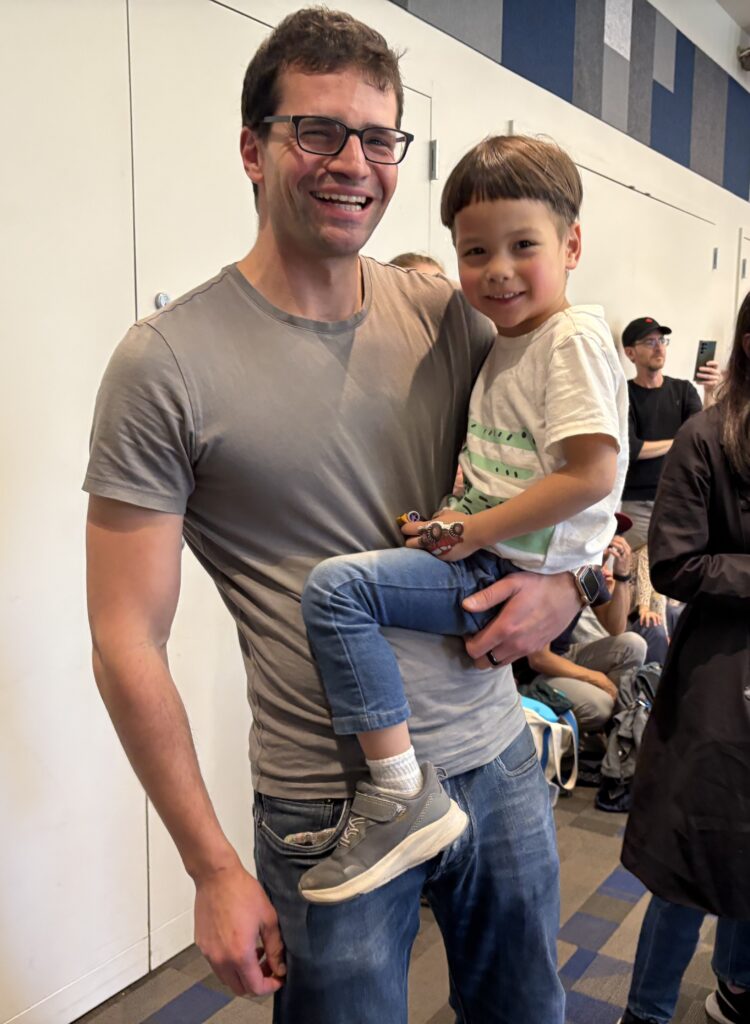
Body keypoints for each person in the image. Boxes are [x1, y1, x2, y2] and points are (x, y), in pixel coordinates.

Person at [84, 9, 585, 1022]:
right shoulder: (165, 364)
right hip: (329, 799)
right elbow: (125, 636)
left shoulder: (449, 316)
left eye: (378, 138)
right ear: (253, 149)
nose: (354, 163)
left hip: (495, 757)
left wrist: (567, 585)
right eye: (317, 131)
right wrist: (211, 866)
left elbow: (557, 471)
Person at [299, 134, 629, 902]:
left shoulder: (569, 340)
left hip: (501, 566)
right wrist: (451, 517)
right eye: (476, 252)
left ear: (572, 245)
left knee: (337, 593)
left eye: (523, 246)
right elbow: (505, 467)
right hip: (493, 556)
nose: (498, 269)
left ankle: (396, 790)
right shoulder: (509, 342)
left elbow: (592, 474)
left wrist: (472, 532)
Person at [618, 291, 750, 1024]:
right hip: (718, 672)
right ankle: (646, 1012)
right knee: (691, 852)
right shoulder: (706, 436)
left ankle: (736, 987)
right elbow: (674, 563)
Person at [519, 529, 646, 736]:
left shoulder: (589, 573)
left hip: (561, 655)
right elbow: (538, 659)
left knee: (634, 644)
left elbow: (616, 627)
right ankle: (579, 736)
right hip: (530, 673)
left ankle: (618, 731)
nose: (610, 547)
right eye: (605, 539)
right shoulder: (557, 569)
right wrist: (597, 679)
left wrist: (622, 576)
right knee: (600, 705)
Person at [620, 316, 720, 549]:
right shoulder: (624, 394)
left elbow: (705, 437)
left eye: (662, 340)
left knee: (680, 567)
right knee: (635, 566)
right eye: (649, 342)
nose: (659, 347)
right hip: (639, 503)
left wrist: (710, 392)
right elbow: (633, 448)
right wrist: (682, 440)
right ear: (630, 353)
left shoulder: (683, 390)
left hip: (682, 498)